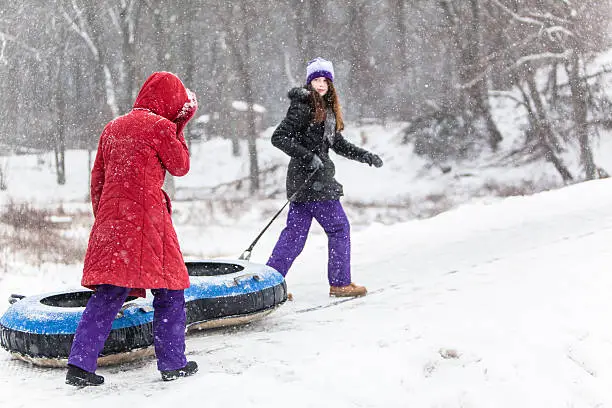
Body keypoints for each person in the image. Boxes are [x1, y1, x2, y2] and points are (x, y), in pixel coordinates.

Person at [65, 72, 199, 386]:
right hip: (149, 220)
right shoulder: (162, 127)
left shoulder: (112, 127)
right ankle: (173, 363)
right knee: (170, 289)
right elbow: (180, 166)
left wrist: (107, 218)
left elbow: (97, 180)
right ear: (168, 102)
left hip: (113, 219)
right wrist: (178, 127)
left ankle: (80, 365)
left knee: (110, 292)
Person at [267, 57, 383, 298]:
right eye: (316, 80)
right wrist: (308, 157)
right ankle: (340, 283)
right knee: (339, 228)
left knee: (294, 237)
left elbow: (338, 144)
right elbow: (279, 137)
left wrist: (365, 156)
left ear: (331, 84)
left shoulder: (327, 110)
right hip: (313, 182)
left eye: (325, 80)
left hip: (308, 182)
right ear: (309, 82)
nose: (320, 85)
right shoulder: (304, 104)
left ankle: (270, 286)